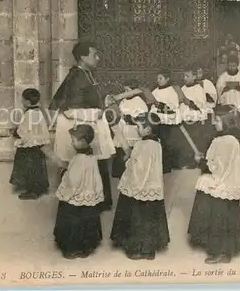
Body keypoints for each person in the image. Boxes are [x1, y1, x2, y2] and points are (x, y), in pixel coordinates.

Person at [49, 41, 115, 211]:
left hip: (91, 123)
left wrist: (104, 101)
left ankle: (98, 200)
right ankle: (88, 201)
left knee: (96, 163)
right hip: (82, 125)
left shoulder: (86, 73)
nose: (98, 58)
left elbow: (92, 97)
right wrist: (96, 113)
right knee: (85, 163)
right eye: (95, 54)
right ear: (83, 57)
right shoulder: (77, 76)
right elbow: (70, 110)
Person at [188, 106, 240, 264]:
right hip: (229, 183)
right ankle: (227, 251)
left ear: (226, 123)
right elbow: (221, 162)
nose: (214, 123)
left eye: (218, 120)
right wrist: (207, 159)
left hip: (220, 183)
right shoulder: (232, 140)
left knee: (216, 218)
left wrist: (201, 161)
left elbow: (216, 167)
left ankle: (218, 251)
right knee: (226, 217)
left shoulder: (221, 141)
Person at [110, 112, 170, 260]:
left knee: (137, 219)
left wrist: (128, 161)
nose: (137, 129)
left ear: (148, 129)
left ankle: (135, 248)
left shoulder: (143, 145)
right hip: (152, 187)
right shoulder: (156, 143)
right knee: (149, 219)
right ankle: (149, 250)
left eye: (139, 126)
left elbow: (139, 169)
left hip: (140, 187)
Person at [54, 124, 104, 259]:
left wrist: (64, 171)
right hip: (88, 195)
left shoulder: (78, 159)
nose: (71, 142)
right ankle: (85, 248)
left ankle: (72, 248)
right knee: (86, 221)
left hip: (75, 198)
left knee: (73, 221)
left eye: (73, 140)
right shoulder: (91, 157)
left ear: (82, 142)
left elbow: (73, 181)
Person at [9, 88, 52, 200]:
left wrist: (15, 132)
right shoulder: (38, 112)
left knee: (28, 168)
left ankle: (32, 190)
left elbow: (23, 130)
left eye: (22, 99)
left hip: (29, 147)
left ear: (27, 102)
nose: (21, 101)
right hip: (37, 146)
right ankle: (38, 188)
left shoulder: (29, 114)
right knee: (38, 167)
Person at [111, 79, 149, 178]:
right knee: (121, 151)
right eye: (124, 91)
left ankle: (132, 174)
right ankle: (121, 173)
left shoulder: (139, 102)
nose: (125, 93)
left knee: (132, 153)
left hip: (133, 130)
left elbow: (142, 118)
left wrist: (130, 118)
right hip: (122, 129)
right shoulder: (123, 101)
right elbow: (119, 112)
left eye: (128, 91)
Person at [179, 68, 214, 168]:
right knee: (186, 140)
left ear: (194, 77)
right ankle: (187, 159)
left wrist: (190, 103)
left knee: (195, 139)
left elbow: (201, 105)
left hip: (195, 118)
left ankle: (196, 161)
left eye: (187, 76)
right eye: (184, 76)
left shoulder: (198, 89)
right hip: (184, 117)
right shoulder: (182, 88)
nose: (184, 78)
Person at [150, 69, 182, 173]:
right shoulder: (154, 91)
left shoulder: (171, 91)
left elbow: (173, 107)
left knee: (166, 144)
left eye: (161, 78)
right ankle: (157, 164)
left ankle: (167, 166)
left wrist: (160, 106)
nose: (158, 80)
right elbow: (152, 106)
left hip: (167, 121)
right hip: (156, 122)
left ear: (167, 79)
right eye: (157, 78)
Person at [216, 55, 240, 144]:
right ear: (227, 65)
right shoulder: (223, 77)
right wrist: (225, 89)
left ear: (237, 65)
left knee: (239, 122)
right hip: (227, 102)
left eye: (234, 66)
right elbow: (218, 89)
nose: (232, 68)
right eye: (230, 66)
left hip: (239, 101)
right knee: (228, 123)